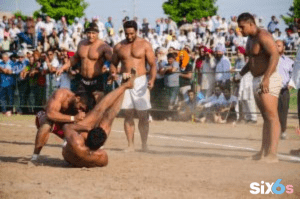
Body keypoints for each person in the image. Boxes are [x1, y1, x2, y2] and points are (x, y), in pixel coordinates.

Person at [62, 69, 136, 167]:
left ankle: (124, 86)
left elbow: (66, 127)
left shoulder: (78, 142)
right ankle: (124, 86)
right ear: (100, 146)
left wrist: (87, 128)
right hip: (84, 152)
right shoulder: (102, 157)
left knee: (99, 110)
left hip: (72, 153)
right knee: (108, 119)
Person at [237, 13, 282, 163]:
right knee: (266, 117)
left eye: (242, 27)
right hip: (257, 79)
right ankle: (263, 152)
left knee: (272, 116)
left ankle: (273, 155)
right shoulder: (250, 39)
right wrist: (240, 75)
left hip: (268, 78)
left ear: (250, 24)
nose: (240, 30)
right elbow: (252, 61)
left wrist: (267, 78)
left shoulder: (263, 35)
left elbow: (275, 55)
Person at [109, 20, 156, 152]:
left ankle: (144, 144)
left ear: (136, 31)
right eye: (126, 33)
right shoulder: (119, 47)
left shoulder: (145, 44)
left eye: (131, 33)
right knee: (128, 113)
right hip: (125, 81)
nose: (129, 36)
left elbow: (152, 65)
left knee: (143, 115)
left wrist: (151, 79)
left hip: (141, 80)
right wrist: (113, 73)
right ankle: (130, 145)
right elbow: (113, 63)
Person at [56, 23, 113, 106]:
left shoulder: (103, 46)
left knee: (98, 105)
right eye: (89, 33)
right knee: (80, 104)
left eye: (93, 33)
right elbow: (74, 58)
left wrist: (108, 67)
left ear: (97, 33)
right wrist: (63, 68)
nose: (91, 35)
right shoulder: (81, 44)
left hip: (97, 79)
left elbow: (112, 60)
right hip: (83, 80)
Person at [31, 88, 90, 161]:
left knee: (83, 133)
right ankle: (35, 156)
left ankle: (79, 157)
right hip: (47, 117)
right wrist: (73, 118)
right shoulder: (62, 94)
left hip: (64, 123)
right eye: (80, 107)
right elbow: (50, 114)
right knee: (46, 125)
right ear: (77, 98)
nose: (80, 110)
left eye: (83, 109)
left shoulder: (80, 108)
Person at [276, 40, 294, 139]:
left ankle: (283, 131)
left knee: (283, 112)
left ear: (283, 48)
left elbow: (294, 74)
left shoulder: (289, 62)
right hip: (272, 91)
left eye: (279, 46)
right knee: (273, 113)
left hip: (284, 91)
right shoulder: (269, 60)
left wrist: (291, 83)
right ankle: (274, 132)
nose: (277, 47)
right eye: (275, 45)